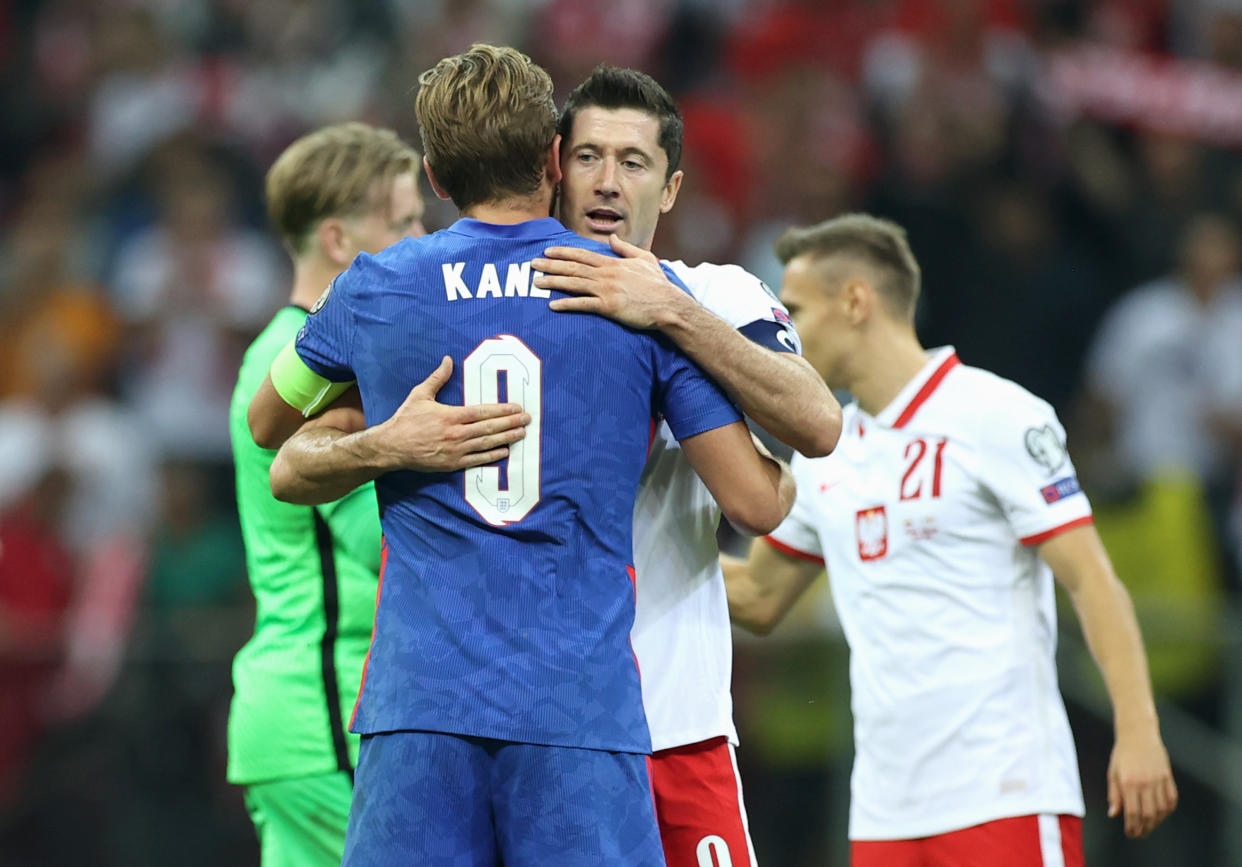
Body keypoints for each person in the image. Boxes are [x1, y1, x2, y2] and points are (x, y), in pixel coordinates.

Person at [248, 44, 793, 866]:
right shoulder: (633, 295)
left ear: (433, 176)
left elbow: (270, 426)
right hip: (579, 708)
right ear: (551, 158)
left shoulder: (379, 286)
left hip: (419, 703)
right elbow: (754, 500)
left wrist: (388, 440)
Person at [722, 214, 1178, 866]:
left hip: (1006, 794)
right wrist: (627, 547)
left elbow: (1091, 578)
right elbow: (759, 596)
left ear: (855, 300)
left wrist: (1138, 730)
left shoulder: (996, 414)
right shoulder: (825, 453)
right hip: (884, 810)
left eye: (792, 308)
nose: (780, 333)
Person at [529, 65, 841, 867]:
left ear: (669, 190)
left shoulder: (719, 294)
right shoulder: (505, 298)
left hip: (679, 723)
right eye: (590, 156)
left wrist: (668, 309)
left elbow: (815, 420)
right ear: (555, 170)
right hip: (542, 730)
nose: (607, 182)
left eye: (633, 163)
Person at [228, 122, 523, 866]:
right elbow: (383, 539)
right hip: (329, 706)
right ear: (338, 242)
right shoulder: (309, 369)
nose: (422, 235)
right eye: (402, 222)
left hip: (292, 711)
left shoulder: (275, 353)